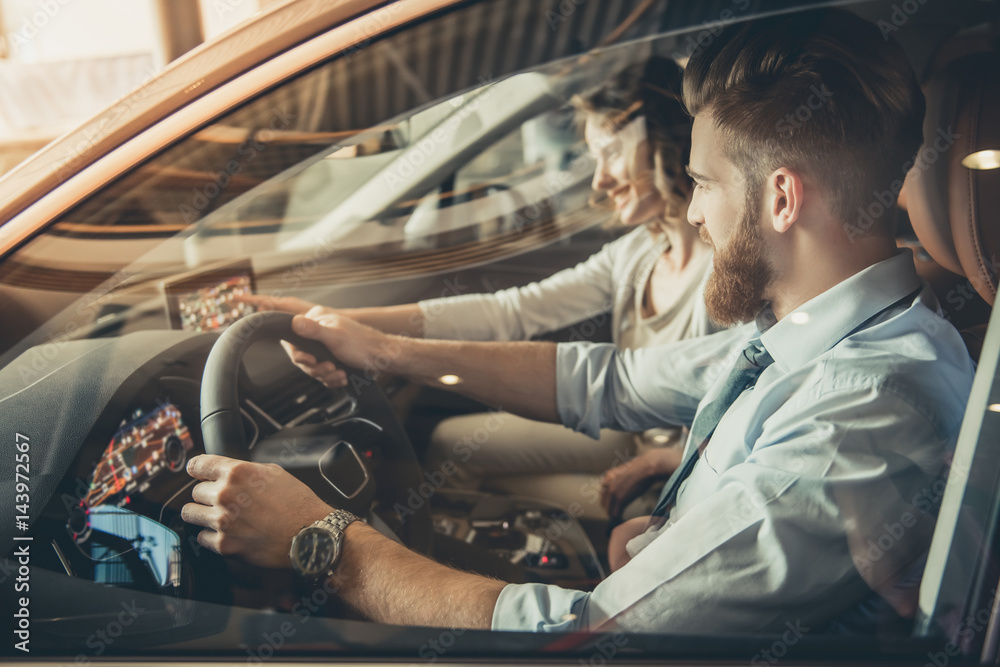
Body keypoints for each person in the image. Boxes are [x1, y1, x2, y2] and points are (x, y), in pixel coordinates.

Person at [182, 9, 975, 634]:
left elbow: (587, 638)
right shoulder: (818, 333)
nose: (694, 210)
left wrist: (324, 542)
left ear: (780, 197)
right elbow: (614, 380)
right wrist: (382, 347)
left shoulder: (860, 410)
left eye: (702, 183)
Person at [246, 57, 720, 523]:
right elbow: (510, 311)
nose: (600, 179)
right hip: (631, 435)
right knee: (447, 448)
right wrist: (334, 319)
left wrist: (674, 456)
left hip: (678, 468)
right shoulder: (637, 251)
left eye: (613, 151)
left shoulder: (722, 271)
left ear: (667, 138)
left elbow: (746, 393)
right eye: (595, 157)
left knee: (471, 490)